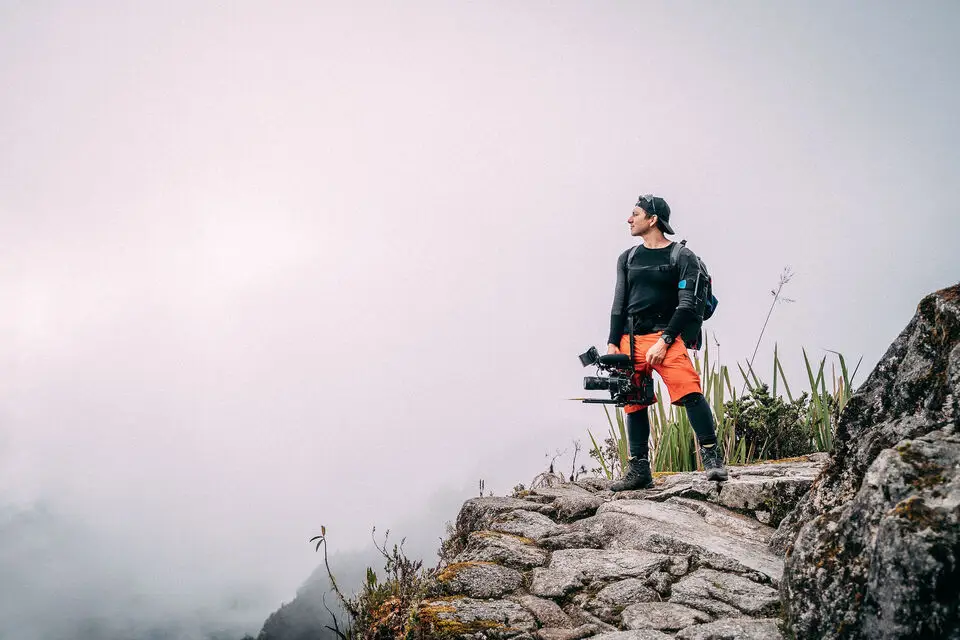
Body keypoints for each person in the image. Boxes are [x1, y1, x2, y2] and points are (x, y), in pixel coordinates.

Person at [607, 194, 728, 491]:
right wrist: (612, 343)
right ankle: (639, 470)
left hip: (666, 336)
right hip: (630, 338)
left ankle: (712, 458)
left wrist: (665, 341)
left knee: (689, 391)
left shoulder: (681, 256)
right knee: (633, 402)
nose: (629, 218)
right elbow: (619, 304)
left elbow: (687, 305)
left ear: (652, 220)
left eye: (635, 213)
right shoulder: (628, 257)